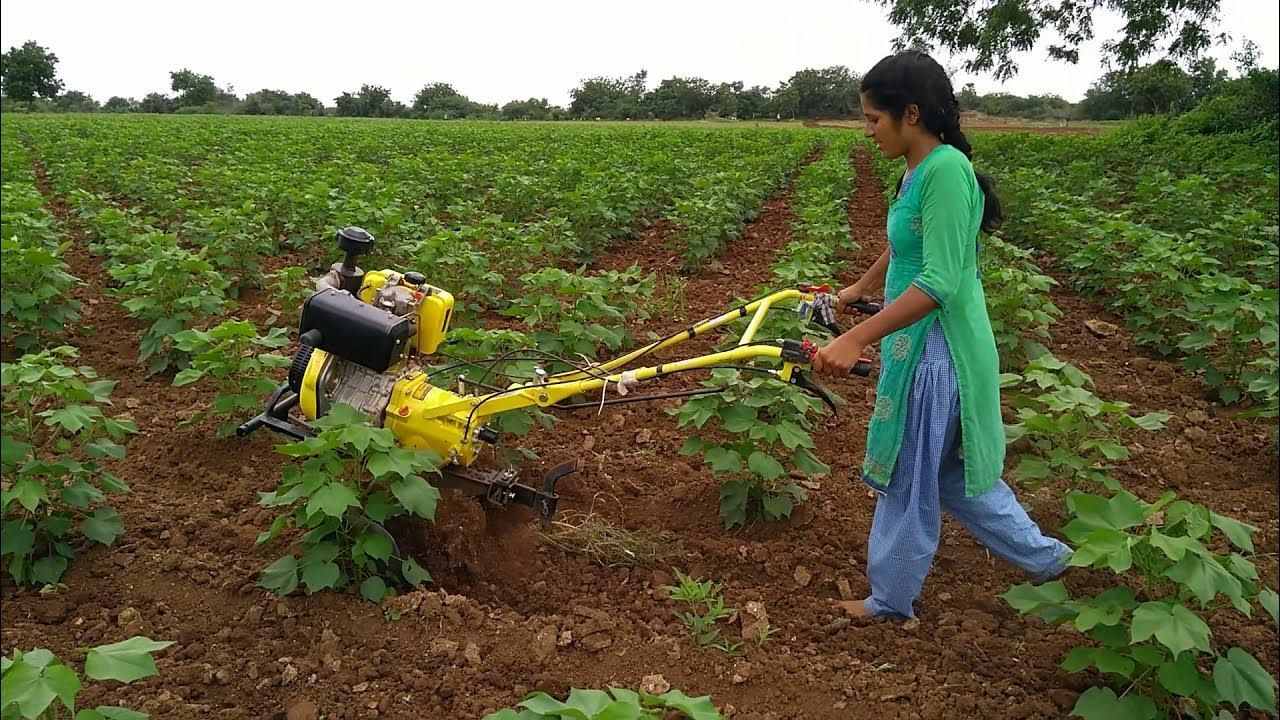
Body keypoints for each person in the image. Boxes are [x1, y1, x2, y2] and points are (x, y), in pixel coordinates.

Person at [810, 50, 1072, 620]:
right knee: (955, 476)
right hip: (921, 342)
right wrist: (857, 290)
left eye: (873, 119)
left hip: (938, 352)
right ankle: (1051, 562)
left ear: (910, 113)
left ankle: (890, 600)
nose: (868, 130)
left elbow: (940, 281)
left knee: (908, 475)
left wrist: (858, 338)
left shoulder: (947, 170)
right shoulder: (918, 171)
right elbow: (906, 242)